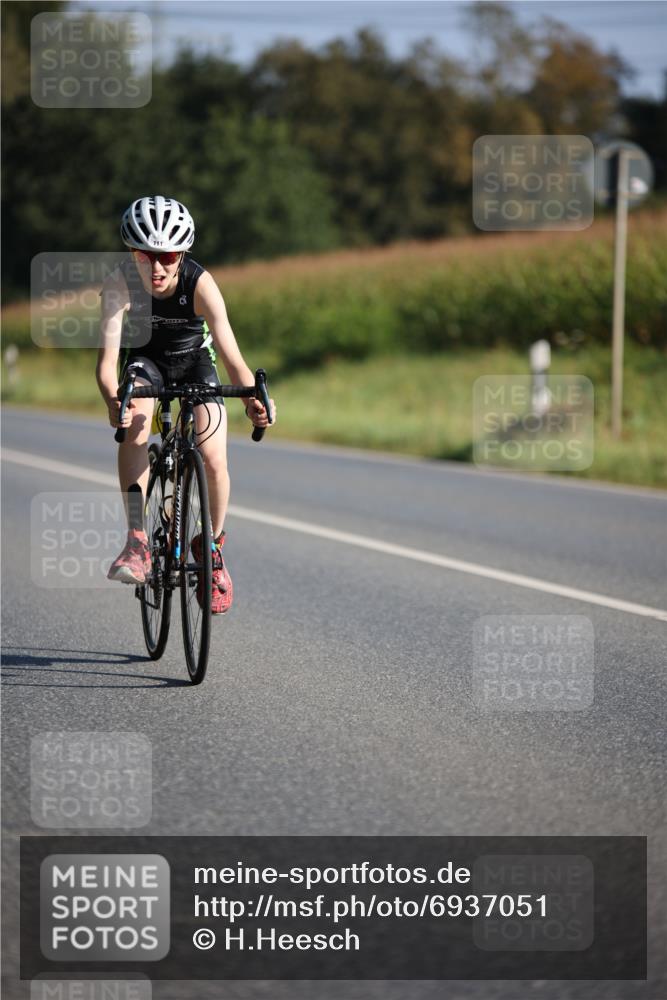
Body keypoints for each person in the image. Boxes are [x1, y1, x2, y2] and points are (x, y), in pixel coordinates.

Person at [97, 195, 275, 614]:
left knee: (213, 457)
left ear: (182, 254)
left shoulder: (201, 283)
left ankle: (211, 550)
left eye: (167, 256)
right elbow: (107, 364)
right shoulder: (119, 284)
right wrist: (112, 401)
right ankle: (137, 541)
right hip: (145, 363)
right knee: (137, 423)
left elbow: (232, 357)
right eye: (144, 255)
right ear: (131, 253)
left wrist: (254, 399)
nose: (156, 268)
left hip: (195, 363)